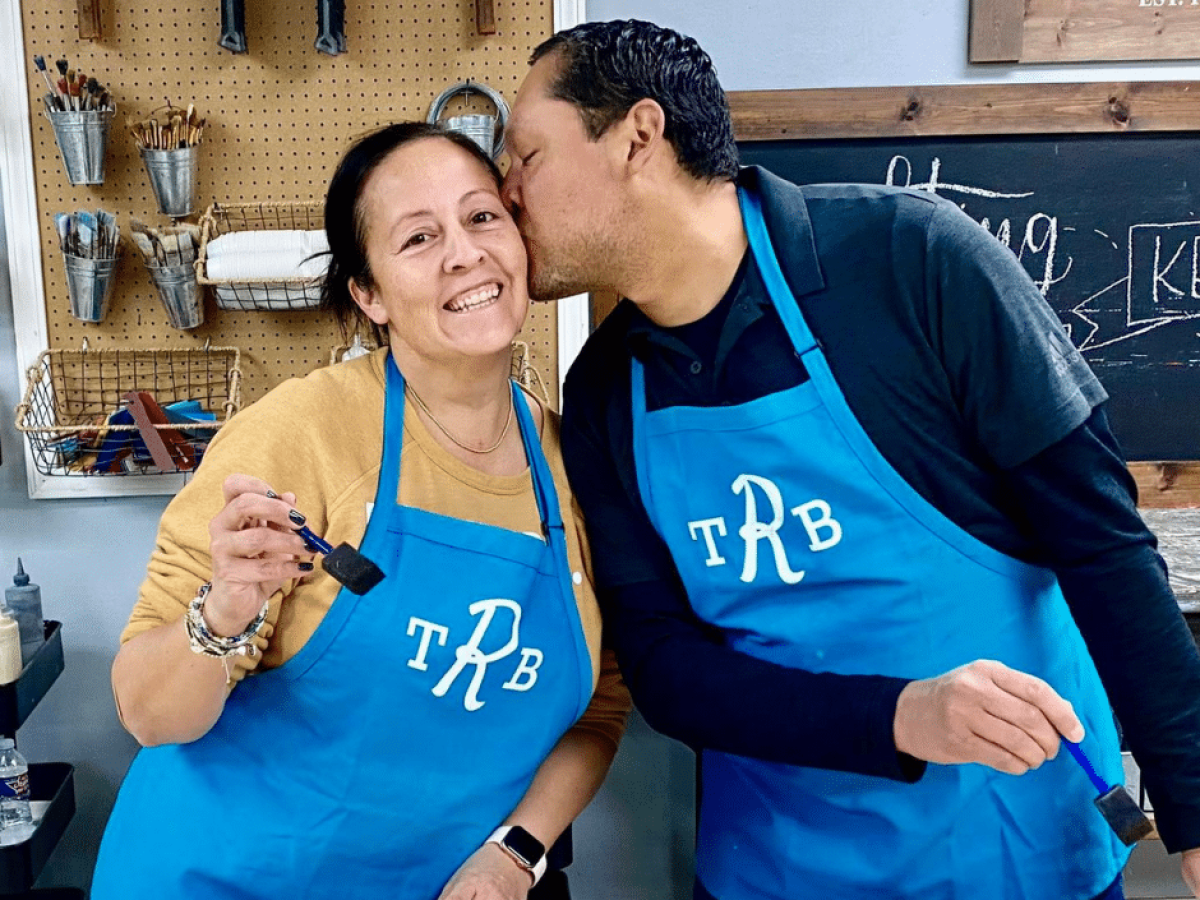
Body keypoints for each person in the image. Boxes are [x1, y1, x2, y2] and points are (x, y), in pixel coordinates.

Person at [501, 18, 1200, 900]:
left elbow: (1102, 544)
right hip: (776, 864)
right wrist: (902, 715)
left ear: (638, 137)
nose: (506, 191)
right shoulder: (606, 390)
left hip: (1008, 847)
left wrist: (1194, 806)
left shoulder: (914, 261)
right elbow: (667, 671)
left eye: (525, 156)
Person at [91, 121, 629, 900]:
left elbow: (599, 710)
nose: (464, 254)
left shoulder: (577, 467)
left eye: (483, 216)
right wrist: (227, 609)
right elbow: (149, 713)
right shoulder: (300, 434)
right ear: (369, 294)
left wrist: (515, 854)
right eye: (418, 238)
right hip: (218, 879)